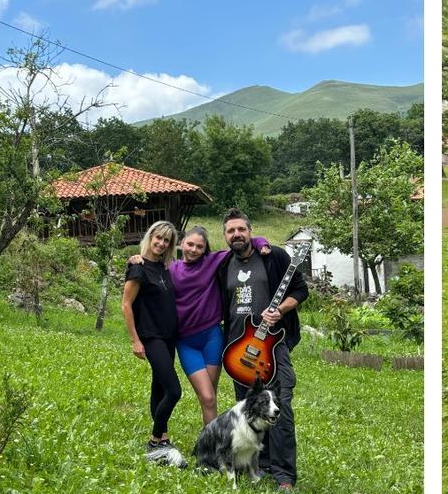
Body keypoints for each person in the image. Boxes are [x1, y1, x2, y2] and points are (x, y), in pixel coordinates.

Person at [129, 227, 270, 426]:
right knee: (207, 396)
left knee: (210, 397)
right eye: (190, 244)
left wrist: (262, 242)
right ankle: (206, 442)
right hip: (186, 341)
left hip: (212, 337)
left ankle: (211, 447)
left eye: (199, 247)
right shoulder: (170, 268)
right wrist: (135, 259)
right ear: (181, 243)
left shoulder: (212, 262)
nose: (194, 249)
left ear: (205, 250)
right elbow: (148, 267)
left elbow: (240, 243)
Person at [216, 208, 308, 492]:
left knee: (278, 407)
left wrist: (280, 311)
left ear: (250, 230)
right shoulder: (223, 266)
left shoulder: (274, 257)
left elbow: (300, 290)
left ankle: (283, 475)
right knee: (249, 409)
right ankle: (258, 463)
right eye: (231, 231)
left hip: (272, 345)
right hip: (237, 351)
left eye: (241, 229)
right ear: (225, 236)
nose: (236, 235)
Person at [121, 221, 184, 457]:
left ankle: (163, 437)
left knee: (159, 388)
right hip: (151, 336)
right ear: (150, 237)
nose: (161, 243)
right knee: (174, 391)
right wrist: (135, 340)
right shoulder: (138, 268)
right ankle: (156, 440)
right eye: (158, 237)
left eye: (166, 240)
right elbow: (126, 305)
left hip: (169, 337)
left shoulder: (165, 267)